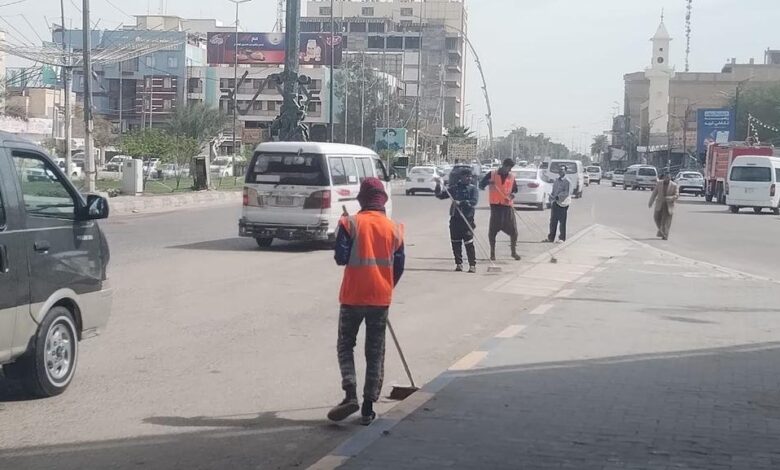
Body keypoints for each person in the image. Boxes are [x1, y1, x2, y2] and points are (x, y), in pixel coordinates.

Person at [328, 177, 405, 426]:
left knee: (345, 345)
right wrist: (384, 286)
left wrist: (346, 239)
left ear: (362, 199)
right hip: (380, 298)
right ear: (382, 201)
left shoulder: (349, 222)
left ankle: (349, 393)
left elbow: (340, 258)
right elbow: (399, 266)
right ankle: (368, 408)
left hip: (352, 296)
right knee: (375, 352)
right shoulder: (394, 228)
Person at [434, 167, 479, 273]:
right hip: (455, 219)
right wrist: (438, 184)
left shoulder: (473, 189)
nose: (469, 178)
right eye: (466, 176)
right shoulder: (454, 189)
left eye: (470, 176)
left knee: (469, 243)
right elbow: (440, 195)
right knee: (455, 243)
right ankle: (459, 264)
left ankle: (472, 265)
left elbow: (473, 202)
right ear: (461, 177)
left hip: (467, 220)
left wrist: (461, 202)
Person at [479, 158, 521, 261]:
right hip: (496, 207)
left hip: (507, 208)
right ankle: (492, 253)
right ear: (503, 165)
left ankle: (513, 252)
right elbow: (480, 185)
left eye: (511, 168)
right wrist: (488, 182)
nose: (509, 170)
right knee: (492, 232)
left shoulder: (511, 177)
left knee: (514, 232)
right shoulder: (492, 174)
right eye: (508, 167)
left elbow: (515, 190)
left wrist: (510, 197)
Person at [648, 170, 678, 240]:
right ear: (664, 177)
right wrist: (651, 202)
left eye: (669, 177)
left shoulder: (674, 185)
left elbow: (677, 195)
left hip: (668, 205)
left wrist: (671, 198)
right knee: (656, 218)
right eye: (666, 177)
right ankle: (661, 230)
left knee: (666, 221)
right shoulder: (659, 184)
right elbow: (654, 193)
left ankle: (665, 235)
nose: (668, 178)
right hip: (659, 204)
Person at [546, 165, 571, 243]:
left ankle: (562, 238)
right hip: (555, 203)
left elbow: (566, 192)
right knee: (553, 221)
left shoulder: (567, 181)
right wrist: (551, 198)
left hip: (563, 203)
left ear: (565, 171)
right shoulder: (556, 180)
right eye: (559, 170)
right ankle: (551, 238)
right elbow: (553, 191)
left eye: (562, 170)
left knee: (562, 222)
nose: (560, 171)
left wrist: (558, 197)